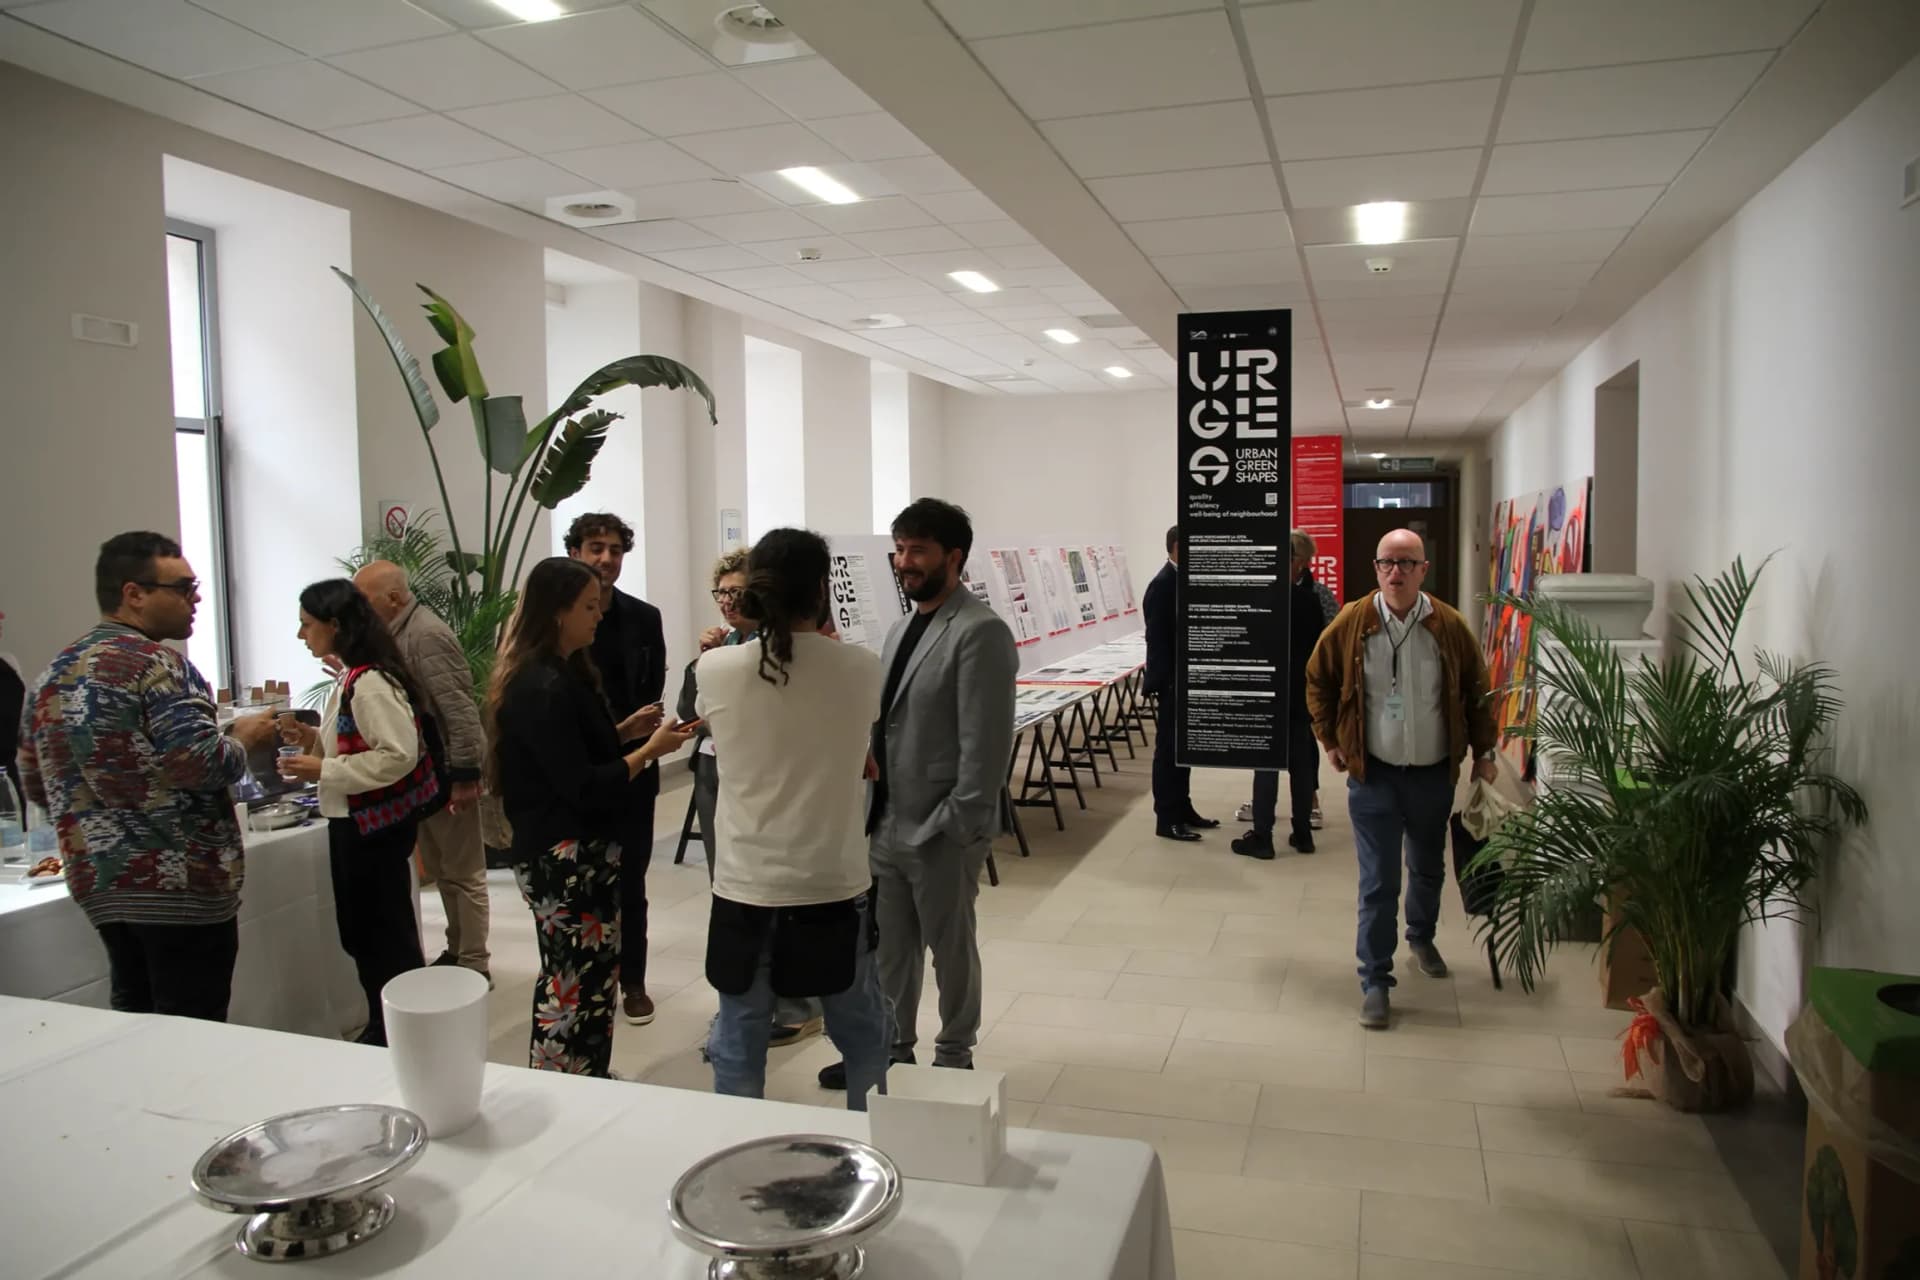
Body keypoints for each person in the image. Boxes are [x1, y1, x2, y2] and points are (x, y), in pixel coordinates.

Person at [17, 533, 277, 1020]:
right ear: (133, 593)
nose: (196, 599)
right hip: (180, 886)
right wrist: (242, 739)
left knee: (134, 1022)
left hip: (100, 884)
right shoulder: (158, 664)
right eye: (183, 587)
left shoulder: (51, 675)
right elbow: (198, 762)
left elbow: (35, 782)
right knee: (192, 1026)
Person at [819, 498, 1018, 1090]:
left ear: (953, 557)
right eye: (900, 549)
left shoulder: (980, 631)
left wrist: (959, 822)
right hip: (886, 821)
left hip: (941, 827)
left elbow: (986, 744)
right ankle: (892, 1048)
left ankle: (955, 1054)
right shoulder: (902, 628)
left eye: (918, 550)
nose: (905, 561)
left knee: (949, 948)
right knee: (891, 949)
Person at [699, 529, 891, 1108]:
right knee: (862, 1032)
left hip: (746, 882)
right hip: (832, 880)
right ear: (821, 589)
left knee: (738, 1038)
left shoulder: (716, 668)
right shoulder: (861, 667)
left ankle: (740, 1147)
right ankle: (869, 1142)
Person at [486, 557, 694, 1076]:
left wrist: (624, 732)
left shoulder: (565, 672)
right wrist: (648, 752)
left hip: (585, 851)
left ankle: (590, 1073)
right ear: (557, 612)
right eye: (588, 607)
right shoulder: (540, 685)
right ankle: (563, 1080)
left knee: (594, 976)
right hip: (564, 855)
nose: (598, 616)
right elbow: (579, 783)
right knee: (571, 982)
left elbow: (571, 750)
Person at [1305, 529, 1498, 1030]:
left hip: (1433, 773)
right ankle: (1375, 979)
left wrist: (1485, 752)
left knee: (1428, 867)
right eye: (1387, 562)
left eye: (1407, 563)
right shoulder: (1353, 622)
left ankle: (1421, 936)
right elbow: (1318, 678)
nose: (1396, 572)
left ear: (1423, 570)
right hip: (1374, 776)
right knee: (1379, 881)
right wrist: (1329, 739)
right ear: (1375, 568)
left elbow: (1477, 689)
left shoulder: (1448, 625)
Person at [276, 579, 440, 1046]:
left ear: (334, 625)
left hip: (370, 828)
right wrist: (314, 742)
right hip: (360, 825)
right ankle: (387, 1024)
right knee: (368, 933)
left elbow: (398, 754)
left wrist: (324, 768)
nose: (301, 634)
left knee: (381, 935)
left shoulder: (369, 682)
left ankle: (398, 1031)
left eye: (307, 624)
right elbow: (360, 742)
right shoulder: (353, 677)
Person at [677, 551, 824, 1050]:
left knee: (776, 894)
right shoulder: (719, 650)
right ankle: (749, 1003)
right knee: (730, 891)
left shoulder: (782, 648)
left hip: (766, 783)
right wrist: (701, 661)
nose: (728, 602)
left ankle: (798, 1006)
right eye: (721, 593)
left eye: (738, 592)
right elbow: (689, 715)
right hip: (715, 775)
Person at [352, 560, 492, 985]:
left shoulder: (426, 634)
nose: (359, 609)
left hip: (449, 772)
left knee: (463, 872)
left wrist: (465, 775)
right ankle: (457, 949)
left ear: (394, 598)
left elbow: (458, 709)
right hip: (424, 777)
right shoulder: (396, 635)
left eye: (365, 599)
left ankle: (474, 962)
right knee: (444, 870)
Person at [565, 512, 667, 1028]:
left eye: (615, 550)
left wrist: (637, 741)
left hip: (634, 771)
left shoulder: (643, 617)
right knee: (582, 881)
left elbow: (651, 689)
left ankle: (633, 980)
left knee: (631, 880)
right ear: (575, 553)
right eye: (596, 548)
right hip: (577, 770)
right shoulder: (554, 623)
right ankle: (588, 976)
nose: (606, 559)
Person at [1233, 530, 1334, 860]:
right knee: (1301, 765)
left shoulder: (1259, 599)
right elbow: (1319, 648)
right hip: (1301, 693)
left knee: (1266, 766)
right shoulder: (1310, 600)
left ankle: (1262, 836)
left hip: (1268, 693)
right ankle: (1303, 834)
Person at [1142, 524, 1217, 841]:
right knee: (1169, 751)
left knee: (1184, 749)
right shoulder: (1162, 585)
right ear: (1177, 547)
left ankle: (1183, 808)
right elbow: (1157, 639)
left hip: (1187, 679)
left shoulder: (1184, 579)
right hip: (1172, 682)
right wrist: (1166, 682)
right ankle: (1167, 817)